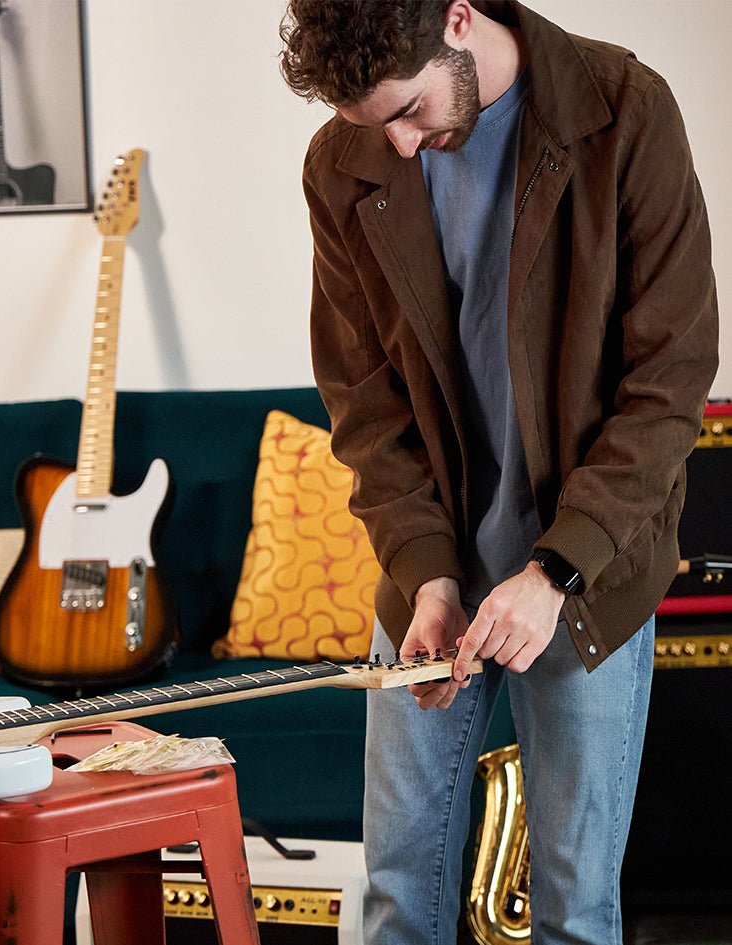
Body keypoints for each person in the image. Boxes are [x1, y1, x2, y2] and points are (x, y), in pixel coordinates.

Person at [279, 2, 718, 943]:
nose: (398, 145)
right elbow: (365, 402)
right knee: (398, 889)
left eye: (408, 110)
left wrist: (556, 569)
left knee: (572, 907)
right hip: (431, 577)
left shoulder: (625, 109)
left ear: (459, 20)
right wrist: (426, 571)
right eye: (371, 126)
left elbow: (670, 380)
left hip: (584, 577)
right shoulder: (341, 163)